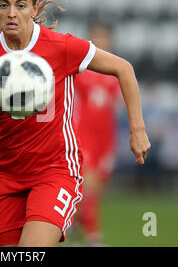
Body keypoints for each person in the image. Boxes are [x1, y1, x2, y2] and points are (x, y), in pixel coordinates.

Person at [0, 0, 150, 247]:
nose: (12, 13)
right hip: (6, 177)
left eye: (20, 5)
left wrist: (138, 129)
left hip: (55, 171)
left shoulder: (61, 47)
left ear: (34, 9)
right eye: (4, 4)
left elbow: (123, 68)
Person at [71, 20, 121, 246]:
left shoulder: (116, 70)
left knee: (96, 188)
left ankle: (71, 222)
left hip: (107, 138)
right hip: (84, 135)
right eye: (97, 37)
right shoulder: (81, 68)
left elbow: (115, 107)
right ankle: (93, 235)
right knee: (89, 184)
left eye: (105, 37)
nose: (102, 41)